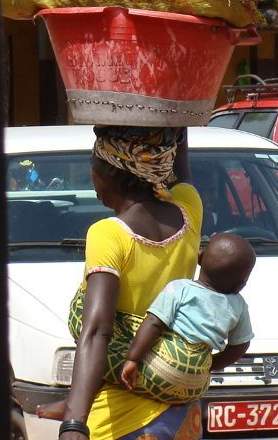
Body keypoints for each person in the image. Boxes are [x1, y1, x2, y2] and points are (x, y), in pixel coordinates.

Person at [40, 126, 205, 440]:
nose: (92, 177)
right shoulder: (189, 210)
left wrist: (75, 424)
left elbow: (97, 331)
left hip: (120, 420)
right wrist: (177, 118)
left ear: (112, 172)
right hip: (181, 416)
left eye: (93, 164)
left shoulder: (110, 233)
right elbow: (181, 169)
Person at [39, 232, 256, 417]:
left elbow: (153, 323)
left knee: (101, 352)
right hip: (197, 385)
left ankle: (75, 406)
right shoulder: (238, 305)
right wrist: (211, 364)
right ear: (241, 284)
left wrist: (133, 359)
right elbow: (240, 345)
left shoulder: (180, 289)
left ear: (199, 257)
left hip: (166, 370)